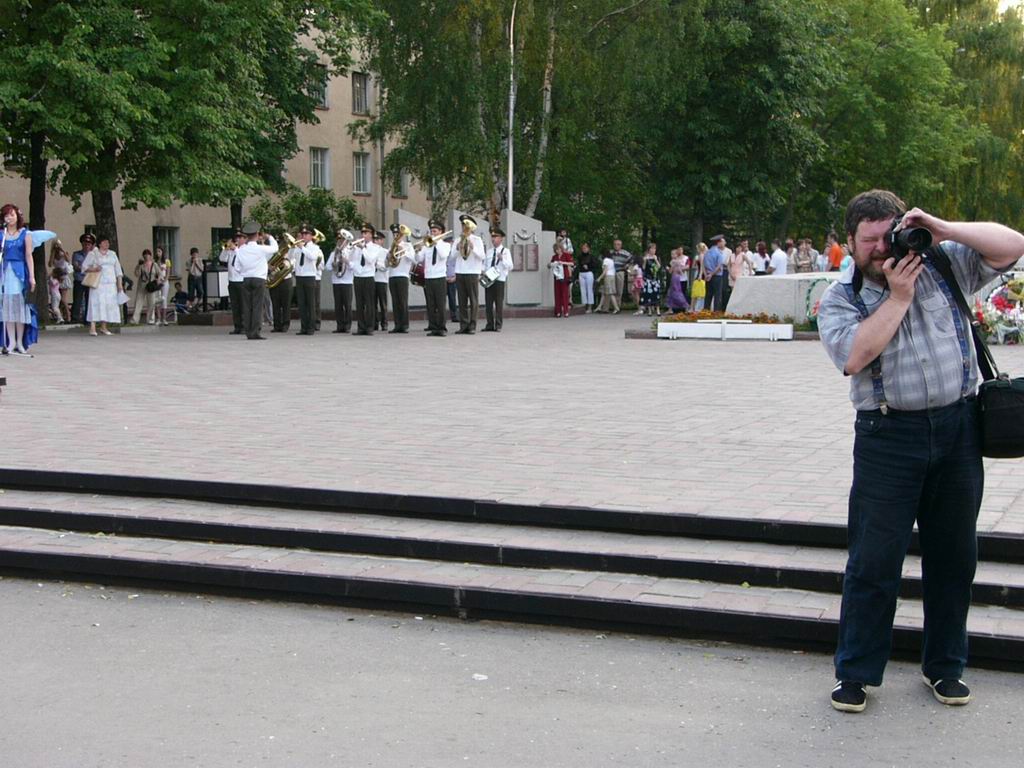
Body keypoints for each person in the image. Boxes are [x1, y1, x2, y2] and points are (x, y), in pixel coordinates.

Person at [817, 189, 1024, 714]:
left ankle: (946, 667)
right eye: (869, 241)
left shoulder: (940, 262)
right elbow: (854, 356)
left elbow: (1013, 246)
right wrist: (897, 298)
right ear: (849, 242)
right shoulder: (841, 297)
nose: (882, 248)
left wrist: (943, 228)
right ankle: (856, 673)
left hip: (958, 429)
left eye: (888, 235)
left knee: (954, 558)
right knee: (873, 561)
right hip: (887, 437)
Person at [232, 222, 277, 340]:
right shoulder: (260, 248)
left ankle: (248, 331)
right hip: (259, 279)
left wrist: (244, 272)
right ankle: (255, 332)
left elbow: (236, 267)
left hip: (246, 279)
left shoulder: (241, 250)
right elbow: (275, 248)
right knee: (257, 306)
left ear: (246, 236)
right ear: (257, 235)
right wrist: (270, 237)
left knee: (247, 306)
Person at [81, 235, 124, 337]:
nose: (107, 244)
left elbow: (118, 270)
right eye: (104, 242)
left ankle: (104, 326)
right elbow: (84, 267)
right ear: (100, 244)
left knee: (108, 304)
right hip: (98, 284)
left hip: (110, 284)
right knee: (95, 303)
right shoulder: (93, 253)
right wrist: (94, 269)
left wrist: (119, 284)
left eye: (108, 242)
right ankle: (92, 327)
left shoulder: (112, 254)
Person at [418, 220, 452, 337]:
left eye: (435, 231)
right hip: (429, 277)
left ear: (440, 232)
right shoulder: (427, 246)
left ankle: (441, 328)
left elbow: (443, 255)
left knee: (440, 304)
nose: (433, 234)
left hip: (439, 277)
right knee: (431, 304)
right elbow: (419, 259)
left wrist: (436, 242)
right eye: (431, 231)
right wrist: (418, 250)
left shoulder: (445, 245)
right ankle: (433, 327)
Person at [350, 223, 384, 335]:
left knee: (369, 303)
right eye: (362, 233)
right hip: (358, 276)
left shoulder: (375, 247)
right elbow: (352, 260)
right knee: (359, 304)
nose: (363, 235)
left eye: (366, 233)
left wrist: (363, 248)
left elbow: (370, 260)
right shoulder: (357, 247)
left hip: (368, 277)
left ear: (371, 234)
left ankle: (369, 327)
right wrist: (352, 249)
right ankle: (361, 327)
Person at [453, 215, 485, 334]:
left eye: (466, 225)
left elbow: (482, 256)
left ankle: (472, 325)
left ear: (472, 227)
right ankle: (463, 325)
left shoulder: (477, 240)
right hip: (460, 271)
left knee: (473, 300)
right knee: (461, 301)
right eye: (463, 225)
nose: (464, 227)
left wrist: (473, 247)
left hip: (472, 272)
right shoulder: (458, 239)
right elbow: (451, 257)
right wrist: (457, 248)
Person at [292, 223, 323, 336]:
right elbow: (294, 259)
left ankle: (311, 327)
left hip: (310, 276)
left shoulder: (315, 247)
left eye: (306, 234)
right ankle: (303, 327)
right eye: (303, 234)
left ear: (311, 236)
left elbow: (312, 257)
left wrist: (302, 248)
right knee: (302, 303)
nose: (304, 236)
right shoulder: (298, 248)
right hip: (300, 276)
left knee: (310, 303)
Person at [387, 224, 415, 333]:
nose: (396, 236)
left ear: (402, 235)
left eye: (398, 234)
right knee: (395, 302)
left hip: (403, 275)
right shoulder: (391, 247)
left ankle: (404, 325)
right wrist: (388, 256)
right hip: (392, 275)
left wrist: (404, 251)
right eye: (394, 234)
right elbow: (386, 264)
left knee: (402, 301)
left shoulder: (408, 245)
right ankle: (397, 325)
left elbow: (413, 259)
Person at [483, 227, 513, 331]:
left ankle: (498, 325)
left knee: (498, 303)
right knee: (488, 303)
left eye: (495, 237)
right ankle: (489, 324)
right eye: (492, 236)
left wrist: (502, 259)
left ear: (501, 238)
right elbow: (485, 265)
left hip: (499, 279)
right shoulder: (489, 251)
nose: (493, 239)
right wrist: (483, 272)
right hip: (489, 279)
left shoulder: (506, 251)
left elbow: (510, 266)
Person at [326, 230, 354, 334]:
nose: (340, 242)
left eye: (342, 240)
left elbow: (353, 267)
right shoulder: (333, 253)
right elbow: (327, 267)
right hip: (336, 281)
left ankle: (347, 326)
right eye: (338, 240)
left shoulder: (351, 252)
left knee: (347, 305)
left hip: (347, 281)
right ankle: (340, 325)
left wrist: (346, 261)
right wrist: (333, 264)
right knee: (338, 305)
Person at [219, 233, 244, 334]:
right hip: (232, 281)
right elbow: (222, 259)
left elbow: (242, 260)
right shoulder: (230, 252)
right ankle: (237, 326)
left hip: (241, 281)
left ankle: (244, 326)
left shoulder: (242, 251)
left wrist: (235, 249)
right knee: (235, 305)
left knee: (242, 305)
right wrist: (225, 249)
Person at [71, 233, 95, 324]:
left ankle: (88, 319)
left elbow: (96, 267)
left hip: (90, 280)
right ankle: (75, 318)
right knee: (77, 299)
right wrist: (88, 268)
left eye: (89, 244)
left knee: (89, 300)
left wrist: (84, 268)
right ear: (82, 244)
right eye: (85, 244)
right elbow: (76, 266)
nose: (87, 245)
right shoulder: (77, 254)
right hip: (79, 280)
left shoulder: (94, 255)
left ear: (91, 245)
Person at [130, 249, 159, 325]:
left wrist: (157, 280)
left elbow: (160, 274)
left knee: (151, 303)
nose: (146, 256)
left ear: (150, 256)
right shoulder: (141, 265)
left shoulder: (154, 265)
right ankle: (135, 319)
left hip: (151, 286)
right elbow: (137, 274)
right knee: (138, 302)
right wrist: (138, 266)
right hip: (142, 285)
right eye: (145, 255)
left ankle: (151, 319)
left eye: (148, 254)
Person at [726, 241, 755, 310]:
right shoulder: (732, 255)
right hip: (732, 274)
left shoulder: (743, 255)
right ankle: (732, 307)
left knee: (739, 291)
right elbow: (728, 265)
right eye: (738, 248)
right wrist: (730, 273)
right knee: (733, 292)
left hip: (739, 275)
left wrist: (750, 272)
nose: (739, 249)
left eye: (740, 248)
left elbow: (749, 263)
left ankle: (739, 307)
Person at [48, 241, 73, 323]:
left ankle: (68, 315)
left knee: (63, 299)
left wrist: (61, 249)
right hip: (57, 278)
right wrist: (53, 251)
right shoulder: (53, 255)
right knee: (57, 299)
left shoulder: (63, 254)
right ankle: (61, 316)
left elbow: (68, 260)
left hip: (63, 278)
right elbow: (50, 264)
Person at [372, 230, 390, 331]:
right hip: (372, 279)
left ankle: (384, 323)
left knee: (383, 303)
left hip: (382, 280)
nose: (375, 241)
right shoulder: (370, 250)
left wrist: (376, 264)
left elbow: (385, 267)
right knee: (372, 303)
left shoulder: (385, 252)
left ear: (382, 241)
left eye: (378, 239)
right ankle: (374, 323)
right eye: (374, 239)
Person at [550, 241, 573, 318]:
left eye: (559, 249)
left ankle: (566, 311)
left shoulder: (566, 255)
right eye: (556, 249)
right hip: (557, 277)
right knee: (557, 294)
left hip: (564, 276)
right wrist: (550, 265)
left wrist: (563, 263)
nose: (558, 251)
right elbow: (551, 264)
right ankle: (558, 311)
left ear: (561, 248)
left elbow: (571, 263)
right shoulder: (554, 257)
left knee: (565, 294)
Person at [703, 236, 726, 311]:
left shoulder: (707, 252)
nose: (723, 244)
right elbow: (719, 266)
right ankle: (716, 312)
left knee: (708, 295)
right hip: (717, 276)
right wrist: (712, 274)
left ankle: (706, 311)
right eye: (722, 242)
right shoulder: (719, 253)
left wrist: (706, 275)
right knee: (717, 295)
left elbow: (704, 265)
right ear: (718, 242)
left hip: (708, 276)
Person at [639, 243, 662, 316]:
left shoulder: (656, 257)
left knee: (656, 294)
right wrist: (645, 261)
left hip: (655, 278)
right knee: (648, 294)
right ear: (649, 250)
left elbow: (659, 267)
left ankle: (658, 310)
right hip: (648, 278)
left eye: (654, 249)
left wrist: (655, 260)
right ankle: (649, 310)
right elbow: (643, 268)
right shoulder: (645, 257)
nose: (653, 250)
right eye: (652, 249)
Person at [610, 239, 633, 306]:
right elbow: (602, 258)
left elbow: (632, 260)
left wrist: (627, 265)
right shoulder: (610, 252)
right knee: (612, 289)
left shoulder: (625, 253)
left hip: (620, 272)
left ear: (621, 245)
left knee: (619, 289)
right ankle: (613, 306)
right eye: (615, 244)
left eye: (618, 244)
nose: (616, 246)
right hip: (611, 273)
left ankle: (618, 305)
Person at [576, 242, 598, 313]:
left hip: (589, 273)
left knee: (589, 290)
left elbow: (595, 266)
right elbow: (578, 266)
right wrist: (577, 277)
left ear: (588, 249)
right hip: (581, 273)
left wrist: (588, 266)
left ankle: (590, 307)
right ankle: (584, 306)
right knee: (583, 290)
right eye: (583, 248)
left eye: (585, 248)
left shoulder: (591, 257)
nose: (584, 249)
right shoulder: (580, 257)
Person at [155, 247, 171, 326]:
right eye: (157, 251)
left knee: (164, 299)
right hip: (157, 281)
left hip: (164, 281)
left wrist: (165, 280)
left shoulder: (167, 261)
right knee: (157, 300)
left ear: (162, 252)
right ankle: (158, 318)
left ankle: (164, 319)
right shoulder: (155, 262)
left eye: (159, 251)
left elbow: (168, 272)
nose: (158, 253)